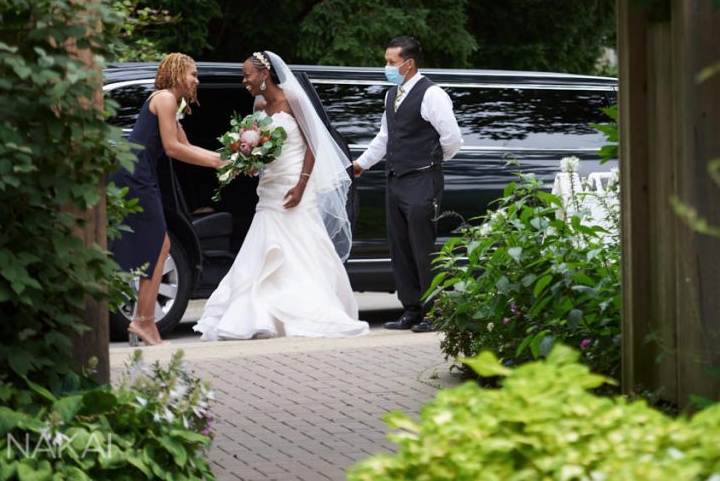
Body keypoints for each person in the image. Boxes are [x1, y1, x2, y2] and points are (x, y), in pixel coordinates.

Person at [194, 51, 368, 340]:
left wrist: (301, 185)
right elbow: (260, 145)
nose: (244, 80)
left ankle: (309, 310)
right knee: (263, 246)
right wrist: (250, 163)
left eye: (247, 74)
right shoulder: (259, 104)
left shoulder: (294, 99)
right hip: (271, 186)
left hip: (295, 182)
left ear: (264, 74)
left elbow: (314, 144)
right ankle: (260, 313)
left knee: (302, 246)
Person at [109, 53, 224, 346]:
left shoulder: (169, 103)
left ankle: (143, 320)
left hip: (141, 174)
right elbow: (173, 149)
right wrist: (218, 163)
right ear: (176, 73)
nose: (196, 80)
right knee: (159, 245)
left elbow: (186, 146)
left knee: (160, 246)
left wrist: (228, 160)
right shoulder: (165, 99)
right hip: (136, 174)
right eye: (193, 74)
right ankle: (143, 321)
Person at [353, 36, 463, 333]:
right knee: (400, 247)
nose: (386, 67)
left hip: (422, 179)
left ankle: (435, 311)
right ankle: (412, 309)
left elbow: (452, 139)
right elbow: (384, 138)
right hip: (396, 180)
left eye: (391, 62)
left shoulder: (432, 94)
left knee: (423, 247)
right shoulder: (392, 95)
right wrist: (361, 163)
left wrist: (431, 161)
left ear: (408, 63)